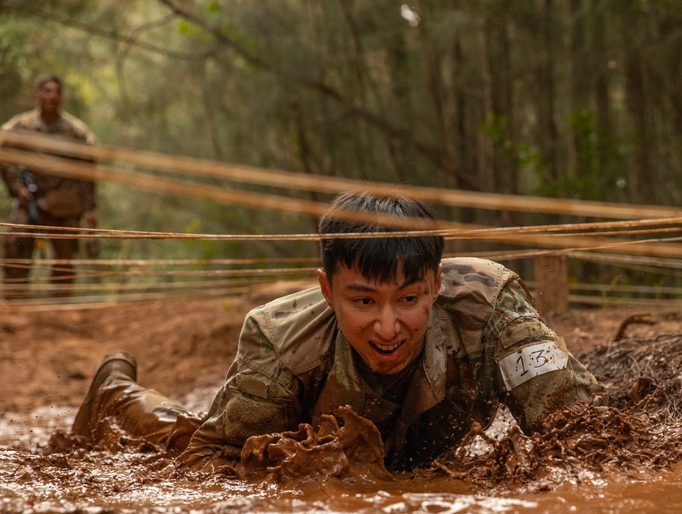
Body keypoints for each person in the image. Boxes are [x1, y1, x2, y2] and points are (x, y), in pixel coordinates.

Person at [68, 191, 603, 474]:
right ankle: (115, 393)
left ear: (436, 284)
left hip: (414, 450)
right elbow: (211, 465)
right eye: (364, 301)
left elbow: (583, 431)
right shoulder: (280, 343)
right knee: (184, 435)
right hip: (299, 430)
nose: (388, 327)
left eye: (410, 299)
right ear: (328, 290)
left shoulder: (490, 309)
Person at [1, 74, 98, 299]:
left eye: (56, 92)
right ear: (37, 94)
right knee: (15, 242)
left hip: (66, 204)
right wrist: (16, 188)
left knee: (64, 261)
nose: (52, 96)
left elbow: (89, 170)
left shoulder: (77, 131)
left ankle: (59, 312)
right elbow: (3, 155)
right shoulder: (20, 126)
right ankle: (16, 306)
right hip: (31, 201)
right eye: (47, 91)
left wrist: (90, 209)